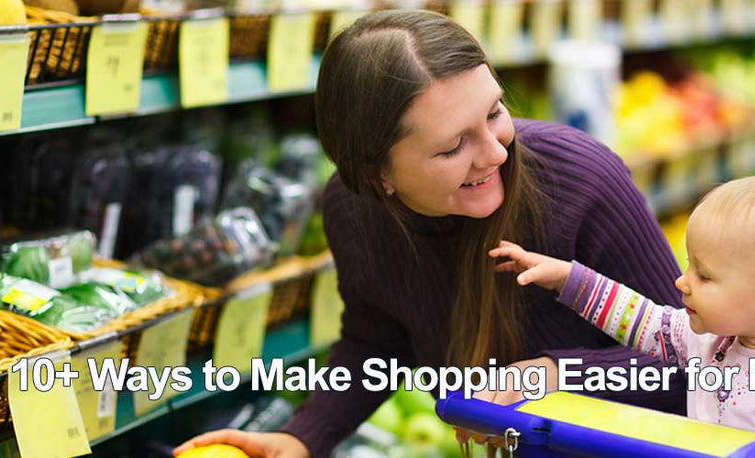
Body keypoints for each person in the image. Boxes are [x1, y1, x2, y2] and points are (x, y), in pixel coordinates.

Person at [175, 10, 687, 458]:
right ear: (380, 176)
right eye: (451, 147)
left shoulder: (579, 178)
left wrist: (556, 379)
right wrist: (305, 436)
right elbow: (378, 340)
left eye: (494, 113)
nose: (495, 153)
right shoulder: (353, 209)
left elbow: (695, 362)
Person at [489, 174, 755, 458]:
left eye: (704, 275)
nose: (682, 282)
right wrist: (566, 278)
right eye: (688, 266)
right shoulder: (708, 341)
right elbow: (638, 317)